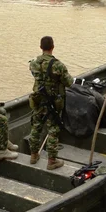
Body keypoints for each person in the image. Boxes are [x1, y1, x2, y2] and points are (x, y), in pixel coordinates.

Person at [28, 36, 73, 170]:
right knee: (53, 129)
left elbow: (35, 74)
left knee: (36, 127)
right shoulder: (58, 65)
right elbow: (69, 82)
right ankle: (51, 161)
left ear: (40, 47)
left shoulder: (33, 63)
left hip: (37, 101)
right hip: (52, 102)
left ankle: (33, 155)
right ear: (53, 47)